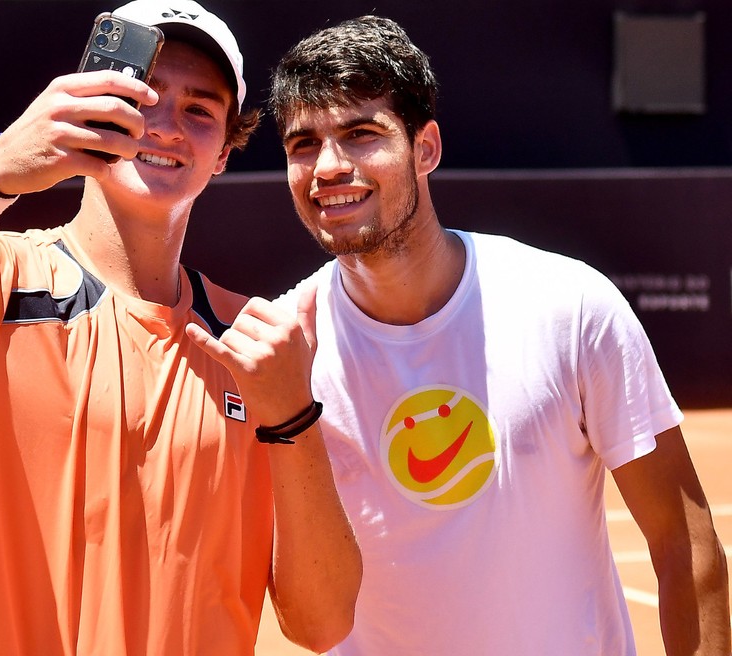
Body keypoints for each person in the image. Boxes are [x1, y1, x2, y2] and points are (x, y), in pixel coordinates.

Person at [0, 2, 362, 654]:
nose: (166, 125)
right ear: (90, 107)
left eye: (199, 110)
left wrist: (294, 418)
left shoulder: (255, 343)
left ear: (223, 152)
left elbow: (321, 623)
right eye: (142, 97)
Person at [267, 15, 730, 656]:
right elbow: (304, 620)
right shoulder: (283, 353)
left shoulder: (570, 306)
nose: (328, 166)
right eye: (303, 144)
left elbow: (685, 543)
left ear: (425, 148)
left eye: (361, 134)